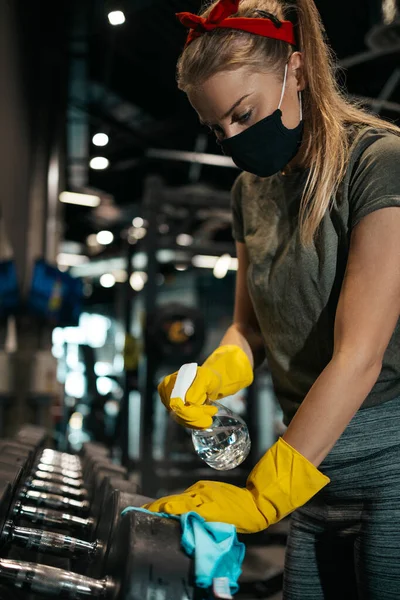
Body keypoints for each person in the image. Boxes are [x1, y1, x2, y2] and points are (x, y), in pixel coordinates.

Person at [144, 0, 400, 597]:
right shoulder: (248, 192)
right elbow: (250, 330)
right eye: (216, 128)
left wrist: (265, 495)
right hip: (312, 471)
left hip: (389, 464)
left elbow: (359, 355)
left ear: (299, 71)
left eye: (242, 114)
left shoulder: (377, 164)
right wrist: (212, 375)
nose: (232, 139)